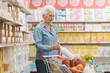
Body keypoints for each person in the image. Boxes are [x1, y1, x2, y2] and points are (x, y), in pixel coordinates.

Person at [33, 5, 61, 73]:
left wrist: (59, 50)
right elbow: (38, 45)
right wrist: (51, 48)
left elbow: (56, 41)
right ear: (43, 15)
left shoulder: (53, 27)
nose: (52, 18)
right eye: (50, 15)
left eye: (53, 16)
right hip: (42, 61)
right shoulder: (39, 28)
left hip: (53, 60)